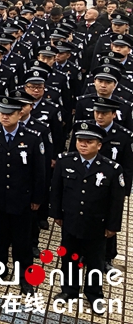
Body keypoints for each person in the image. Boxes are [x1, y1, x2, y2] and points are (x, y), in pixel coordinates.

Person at [51, 122, 126, 307]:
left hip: (96, 224)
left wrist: (112, 226)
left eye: (88, 141)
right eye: (80, 140)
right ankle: (69, 290)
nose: (83, 144)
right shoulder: (65, 161)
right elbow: (57, 191)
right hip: (71, 221)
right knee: (69, 258)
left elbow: (116, 201)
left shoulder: (112, 169)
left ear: (99, 145)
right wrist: (57, 214)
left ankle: (94, 294)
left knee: (95, 261)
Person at [0, 97, 45, 295]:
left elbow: (39, 172)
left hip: (21, 198)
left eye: (9, 114)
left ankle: (25, 276)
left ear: (19, 115)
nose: (4, 117)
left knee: (22, 240)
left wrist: (37, 198)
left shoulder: (32, 137)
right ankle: (0, 269)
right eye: (2, 113)